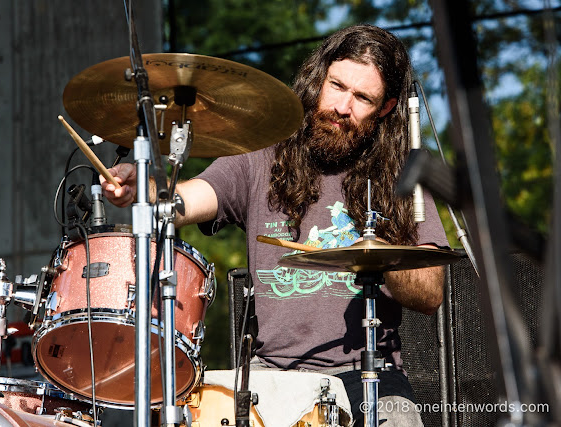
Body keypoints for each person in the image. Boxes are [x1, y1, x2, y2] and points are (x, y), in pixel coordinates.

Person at [103, 24, 449, 426]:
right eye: (336, 86)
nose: (342, 106)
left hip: (371, 377)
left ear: (386, 108)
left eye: (362, 98)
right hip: (272, 375)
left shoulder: (400, 177)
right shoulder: (262, 158)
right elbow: (187, 200)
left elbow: (431, 294)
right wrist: (142, 188)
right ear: (319, 78)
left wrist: (382, 247)